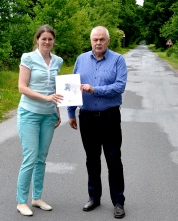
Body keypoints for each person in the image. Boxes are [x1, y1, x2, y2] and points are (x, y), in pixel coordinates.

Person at [67, 26, 127, 219]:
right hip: (87, 118)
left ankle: (118, 201)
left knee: (113, 159)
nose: (98, 43)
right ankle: (94, 197)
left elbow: (119, 87)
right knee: (91, 160)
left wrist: (95, 90)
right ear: (91, 40)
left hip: (109, 117)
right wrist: (70, 112)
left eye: (102, 39)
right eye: (95, 39)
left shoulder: (118, 60)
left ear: (108, 41)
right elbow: (72, 87)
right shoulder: (81, 59)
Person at [16, 24, 63, 216]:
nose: (47, 42)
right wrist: (45, 98)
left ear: (53, 41)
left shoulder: (58, 61)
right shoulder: (28, 57)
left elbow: (56, 89)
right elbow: (22, 87)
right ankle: (21, 201)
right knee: (30, 157)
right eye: (43, 38)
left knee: (41, 159)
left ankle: (36, 198)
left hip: (48, 115)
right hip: (29, 113)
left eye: (50, 39)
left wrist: (57, 112)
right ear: (37, 39)